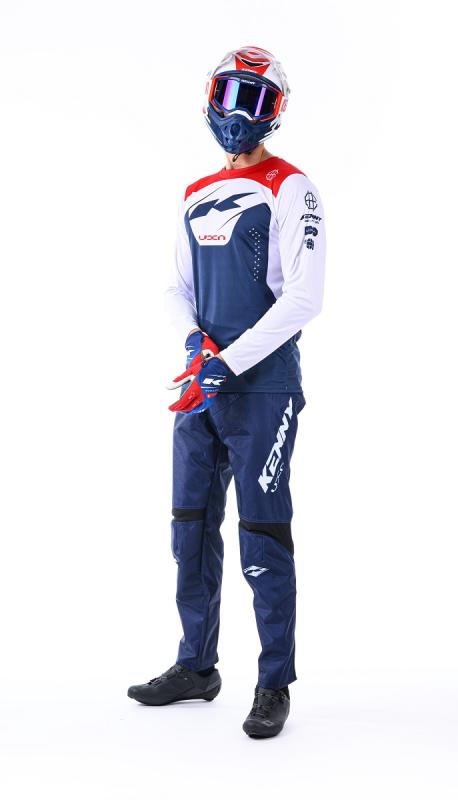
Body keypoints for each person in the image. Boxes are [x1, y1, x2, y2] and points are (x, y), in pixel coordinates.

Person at [127, 45, 326, 739]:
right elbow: (175, 287)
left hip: (263, 389)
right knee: (189, 527)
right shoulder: (195, 192)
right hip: (201, 386)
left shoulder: (291, 187)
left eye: (257, 99)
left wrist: (228, 364)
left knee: (262, 536)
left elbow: (304, 298)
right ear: (211, 99)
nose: (240, 113)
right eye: (230, 95)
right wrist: (195, 348)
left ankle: (273, 683)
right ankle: (196, 666)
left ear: (276, 111)